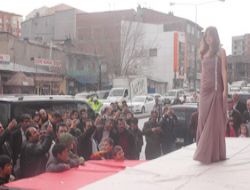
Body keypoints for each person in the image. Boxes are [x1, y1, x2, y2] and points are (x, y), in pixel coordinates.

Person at [193, 26, 227, 164]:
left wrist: (225, 90)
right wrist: (199, 91)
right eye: (206, 36)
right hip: (204, 90)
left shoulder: (221, 51)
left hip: (215, 89)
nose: (208, 38)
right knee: (202, 119)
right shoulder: (203, 52)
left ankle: (211, 154)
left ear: (215, 36)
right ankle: (205, 150)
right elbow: (202, 74)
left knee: (213, 122)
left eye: (210, 35)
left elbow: (224, 71)